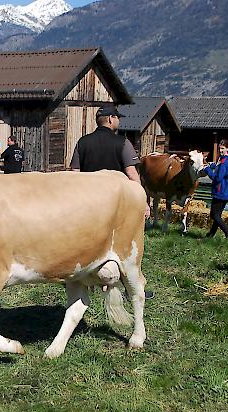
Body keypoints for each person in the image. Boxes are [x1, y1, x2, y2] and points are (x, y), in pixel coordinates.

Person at [69, 104, 154, 299]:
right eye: (118, 118)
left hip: (88, 206)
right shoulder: (122, 143)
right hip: (117, 207)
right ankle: (130, 287)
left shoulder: (82, 142)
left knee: (87, 244)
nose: (119, 121)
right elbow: (132, 174)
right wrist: (143, 202)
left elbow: (73, 174)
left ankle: (84, 285)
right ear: (110, 119)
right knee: (125, 249)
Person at [200, 139, 228, 239]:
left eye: (223, 148)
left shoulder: (224, 162)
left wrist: (207, 170)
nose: (220, 150)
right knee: (217, 215)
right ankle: (211, 235)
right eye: (220, 148)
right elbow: (221, 170)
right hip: (225, 191)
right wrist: (213, 166)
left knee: (214, 215)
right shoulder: (224, 159)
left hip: (221, 191)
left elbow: (218, 178)